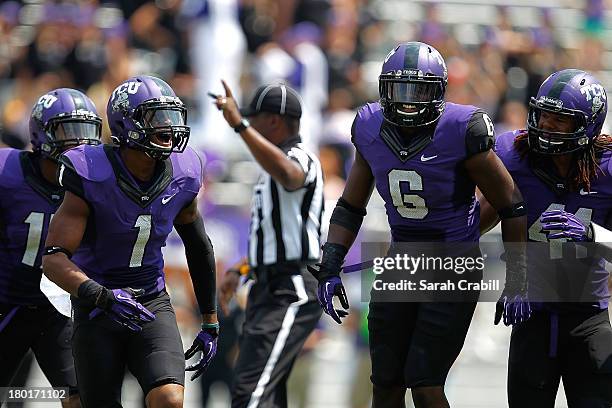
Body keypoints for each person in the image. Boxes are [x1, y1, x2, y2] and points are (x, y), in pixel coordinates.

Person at [309, 41, 529, 408]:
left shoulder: (462, 129)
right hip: (402, 260)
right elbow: (350, 204)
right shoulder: (369, 126)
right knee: (386, 383)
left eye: (419, 91)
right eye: (401, 90)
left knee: (425, 383)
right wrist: (331, 262)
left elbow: (511, 202)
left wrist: (520, 277)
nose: (409, 102)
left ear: (439, 92)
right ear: (383, 89)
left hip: (453, 264)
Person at [42, 75, 218, 407]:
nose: (169, 128)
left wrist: (210, 320)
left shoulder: (183, 171)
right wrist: (102, 296)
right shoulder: (90, 170)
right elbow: (53, 258)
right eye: (156, 118)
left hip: (152, 300)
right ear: (127, 124)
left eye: (172, 116)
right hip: (98, 305)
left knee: (169, 399)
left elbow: (199, 246)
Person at [480, 68, 612, 407]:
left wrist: (591, 232)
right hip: (531, 315)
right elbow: (476, 219)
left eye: (560, 120)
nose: (546, 125)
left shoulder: (608, 169)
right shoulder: (514, 154)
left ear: (588, 126)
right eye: (543, 114)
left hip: (588, 317)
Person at [213, 81, 324, 408]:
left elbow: (291, 176)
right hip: (269, 287)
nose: (251, 125)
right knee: (264, 394)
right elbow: (277, 238)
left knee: (251, 395)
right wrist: (242, 267)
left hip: (290, 289)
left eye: (255, 118)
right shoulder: (271, 170)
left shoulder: (300, 157)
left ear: (273, 121)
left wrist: (239, 125)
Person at [0, 88, 102, 407]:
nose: (80, 143)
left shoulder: (96, 180)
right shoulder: (6, 171)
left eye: (86, 132)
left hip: (57, 308)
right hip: (6, 303)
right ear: (41, 134)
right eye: (70, 131)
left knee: (81, 397)